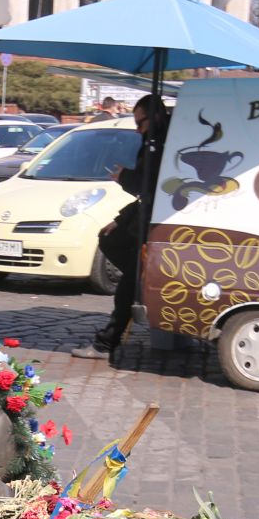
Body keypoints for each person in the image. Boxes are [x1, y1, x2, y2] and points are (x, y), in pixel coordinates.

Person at [73, 92, 168, 359]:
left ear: (156, 117)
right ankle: (138, 291)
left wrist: (124, 176)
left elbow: (147, 186)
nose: (138, 130)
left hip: (154, 224)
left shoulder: (158, 144)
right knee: (112, 244)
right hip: (146, 218)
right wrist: (121, 218)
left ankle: (108, 342)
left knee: (129, 279)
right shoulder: (154, 140)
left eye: (141, 123)